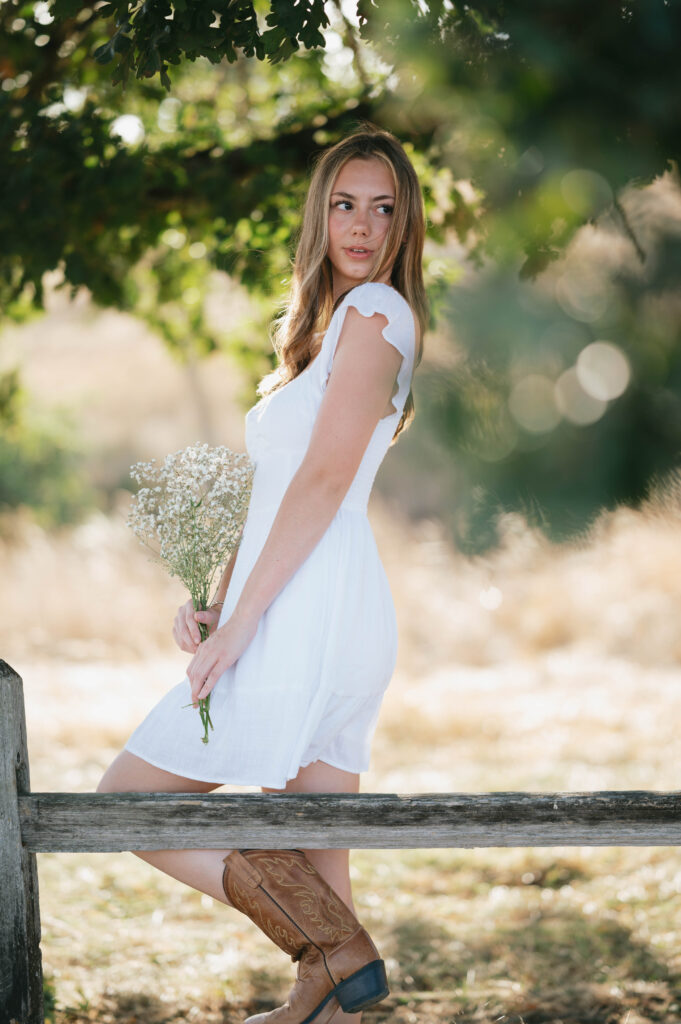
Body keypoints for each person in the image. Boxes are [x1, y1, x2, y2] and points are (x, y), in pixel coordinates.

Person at [97, 122, 428, 1024]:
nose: (361, 226)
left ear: (407, 225)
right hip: (305, 594)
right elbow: (279, 489)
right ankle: (327, 975)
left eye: (383, 208)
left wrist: (245, 625)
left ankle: (332, 948)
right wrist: (212, 602)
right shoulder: (326, 333)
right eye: (343, 205)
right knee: (319, 851)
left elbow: (324, 479)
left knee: (126, 804)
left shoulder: (379, 315)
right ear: (319, 217)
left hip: (311, 605)